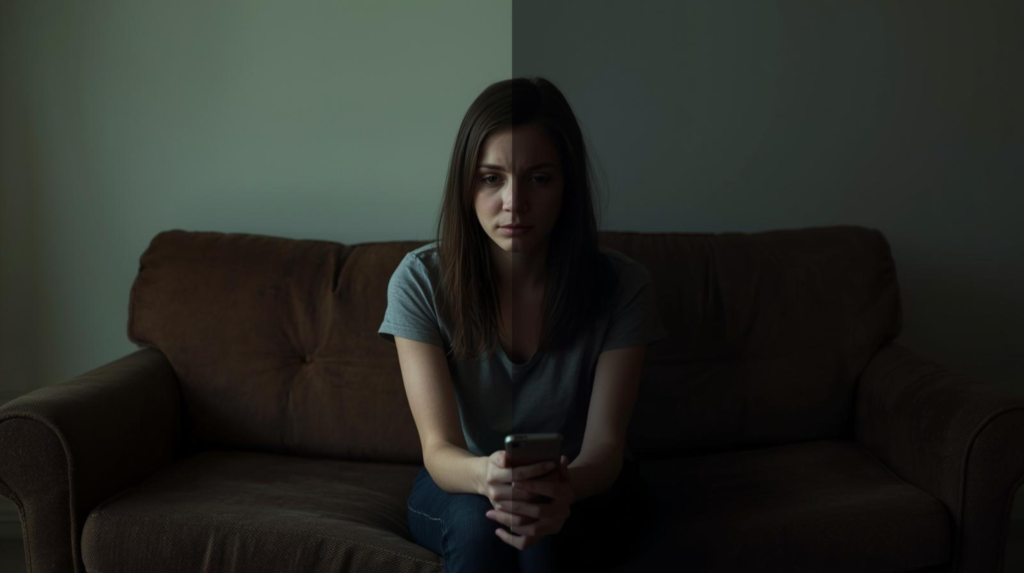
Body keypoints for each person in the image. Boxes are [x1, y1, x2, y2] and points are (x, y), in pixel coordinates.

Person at [377, 76, 669, 572]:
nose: (514, 202)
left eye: (539, 178)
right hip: (461, 478)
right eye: (492, 178)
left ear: (567, 185)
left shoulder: (624, 286)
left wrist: (557, 488)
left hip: (583, 482)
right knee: (478, 527)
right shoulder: (421, 281)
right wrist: (487, 475)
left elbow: (604, 448)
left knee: (540, 540)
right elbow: (439, 448)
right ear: (466, 184)